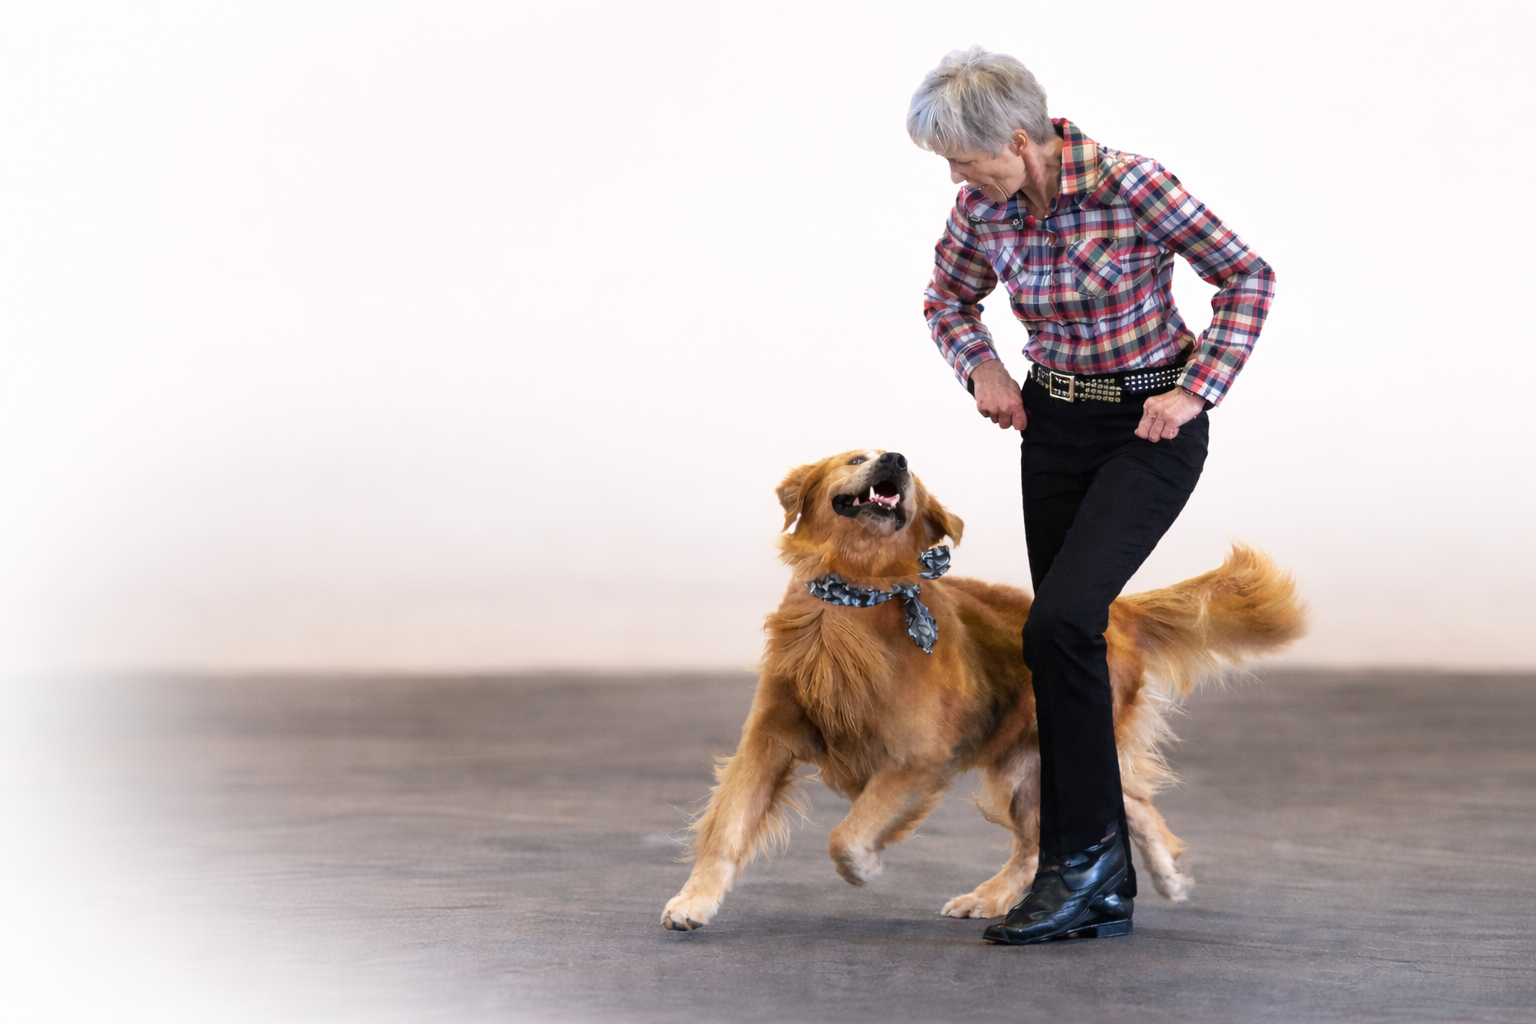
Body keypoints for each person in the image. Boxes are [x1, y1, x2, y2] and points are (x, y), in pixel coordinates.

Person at [907, 47, 1275, 945]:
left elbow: (1247, 276)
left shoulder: (1132, 184)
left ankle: (1084, 867)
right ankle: (1089, 875)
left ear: (1018, 141)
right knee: (1065, 646)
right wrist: (984, 368)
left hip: (1148, 430)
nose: (955, 178)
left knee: (1059, 624)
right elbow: (946, 301)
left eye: (963, 158)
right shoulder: (982, 209)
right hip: (1054, 429)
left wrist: (1195, 391)